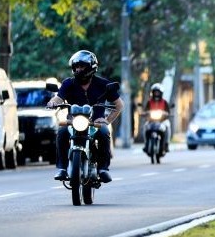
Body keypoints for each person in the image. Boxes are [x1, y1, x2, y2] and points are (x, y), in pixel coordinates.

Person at [47, 50, 124, 183]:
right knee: (61, 131)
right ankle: (62, 168)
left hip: (96, 123)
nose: (78, 69)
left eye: (81, 66)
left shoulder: (103, 84)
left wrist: (106, 120)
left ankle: (103, 169)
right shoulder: (68, 83)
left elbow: (119, 105)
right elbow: (59, 98)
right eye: (76, 66)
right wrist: (53, 102)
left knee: (105, 132)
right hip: (73, 122)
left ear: (91, 67)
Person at [142, 82, 172, 155]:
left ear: (161, 93)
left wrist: (166, 113)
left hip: (162, 121)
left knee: (168, 126)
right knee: (145, 126)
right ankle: (146, 144)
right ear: (152, 92)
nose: (156, 93)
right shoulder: (149, 102)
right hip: (151, 121)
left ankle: (167, 144)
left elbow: (168, 112)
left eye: (158, 92)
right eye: (155, 92)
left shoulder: (164, 102)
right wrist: (144, 113)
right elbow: (145, 110)